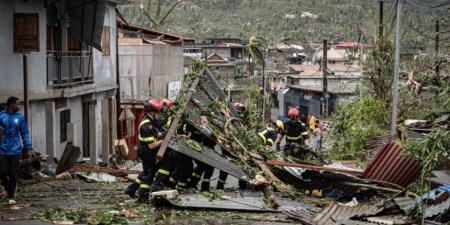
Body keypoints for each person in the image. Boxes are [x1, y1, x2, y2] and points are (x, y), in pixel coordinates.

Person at [125, 99, 164, 202]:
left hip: (146, 151)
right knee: (149, 174)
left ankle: (131, 189)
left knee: (146, 171)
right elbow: (151, 145)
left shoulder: (151, 122)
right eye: (157, 113)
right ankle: (142, 197)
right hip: (146, 151)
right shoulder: (146, 125)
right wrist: (162, 141)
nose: (159, 115)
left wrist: (164, 134)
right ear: (151, 112)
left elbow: (155, 134)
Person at [0, 97, 32, 205]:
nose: (19, 106)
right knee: (2, 172)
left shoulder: (20, 117)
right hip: (2, 149)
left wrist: (27, 146)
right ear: (10, 105)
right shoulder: (1, 116)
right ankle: (7, 188)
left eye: (19, 104)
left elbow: (25, 133)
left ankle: (11, 196)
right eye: (17, 104)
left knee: (13, 173)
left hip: (15, 150)